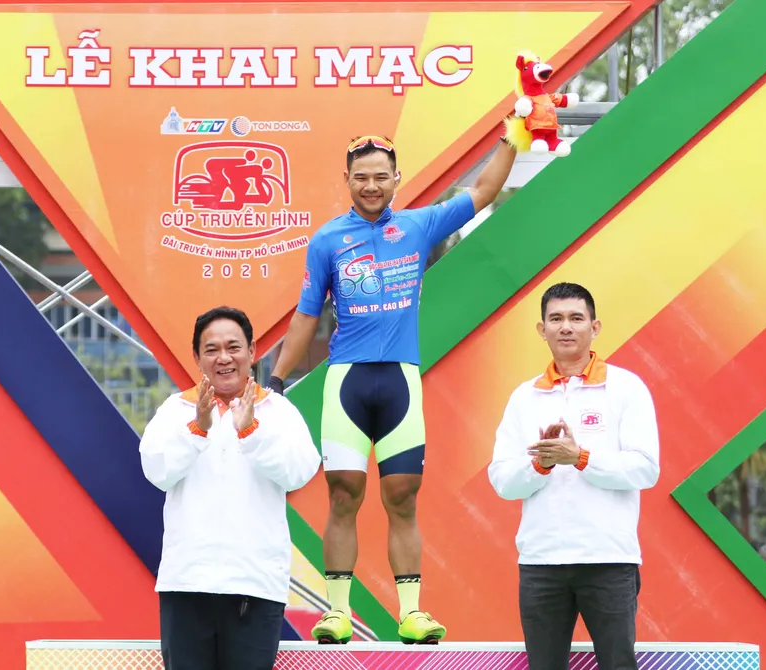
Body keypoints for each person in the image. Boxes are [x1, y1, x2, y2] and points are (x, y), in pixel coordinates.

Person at [266, 133, 518, 644]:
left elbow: (485, 189)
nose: (371, 186)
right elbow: (306, 316)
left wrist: (515, 135)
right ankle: (337, 612)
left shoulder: (418, 225)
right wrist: (273, 380)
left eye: (381, 176)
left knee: (402, 497)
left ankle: (411, 613)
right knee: (343, 494)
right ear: (346, 181)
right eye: (361, 177)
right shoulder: (328, 240)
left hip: (401, 380)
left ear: (396, 179)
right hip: (347, 382)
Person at [487, 282, 660, 670]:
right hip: (541, 562)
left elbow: (645, 468)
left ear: (594, 327)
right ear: (542, 329)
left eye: (576, 318)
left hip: (608, 559)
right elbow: (502, 479)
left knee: (618, 664)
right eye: (556, 319)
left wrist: (580, 457)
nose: (566, 327)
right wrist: (541, 465)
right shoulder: (524, 397)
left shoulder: (625, 388)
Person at [139, 306, 322, 670]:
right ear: (197, 357)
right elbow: (157, 472)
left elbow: (299, 473)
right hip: (186, 585)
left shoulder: (278, 412)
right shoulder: (175, 410)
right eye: (212, 349)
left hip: (255, 587)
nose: (224, 358)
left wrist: (251, 431)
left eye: (233, 347)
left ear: (251, 352)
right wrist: (198, 428)